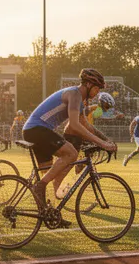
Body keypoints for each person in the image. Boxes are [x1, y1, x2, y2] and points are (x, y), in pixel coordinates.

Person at [22, 68, 116, 212]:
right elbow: (74, 125)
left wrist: (106, 140)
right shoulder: (75, 94)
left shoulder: (79, 99)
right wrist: (102, 143)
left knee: (49, 175)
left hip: (34, 130)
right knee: (71, 154)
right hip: (37, 129)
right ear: (89, 85)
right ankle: (39, 186)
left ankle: (49, 213)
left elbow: (85, 125)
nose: (97, 93)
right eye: (97, 88)